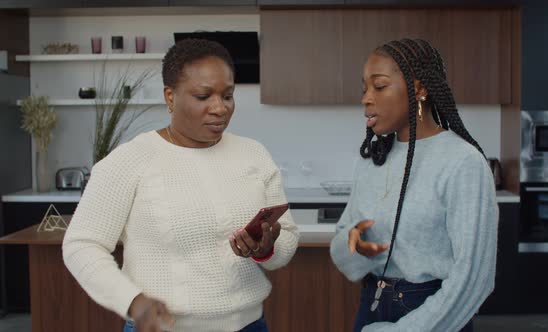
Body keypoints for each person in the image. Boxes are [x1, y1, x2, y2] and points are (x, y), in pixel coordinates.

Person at [62, 38, 299, 332]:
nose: (220, 108)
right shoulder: (129, 160)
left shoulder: (254, 154)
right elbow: (81, 245)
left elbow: (286, 236)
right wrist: (133, 301)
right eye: (203, 96)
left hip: (250, 325)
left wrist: (266, 248)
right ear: (170, 97)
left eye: (227, 96)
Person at [330, 38, 498, 332]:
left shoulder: (463, 162)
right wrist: (354, 245)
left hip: (434, 316)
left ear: (419, 89)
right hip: (372, 304)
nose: (366, 98)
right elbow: (343, 243)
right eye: (364, 88)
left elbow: (474, 277)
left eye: (379, 86)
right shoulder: (372, 160)